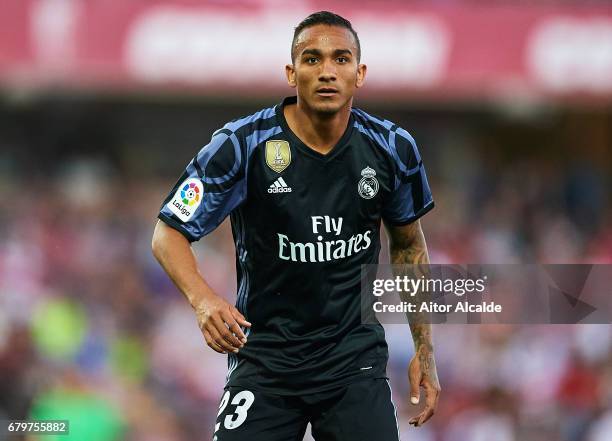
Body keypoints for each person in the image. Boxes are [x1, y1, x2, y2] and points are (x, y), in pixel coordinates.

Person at [152, 11, 440, 441]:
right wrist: (203, 299)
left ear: (359, 74)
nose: (327, 71)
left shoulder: (392, 149)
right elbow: (167, 233)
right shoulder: (242, 145)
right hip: (265, 363)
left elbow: (408, 248)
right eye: (312, 59)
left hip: (352, 364)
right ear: (292, 72)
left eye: (341, 59)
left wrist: (425, 349)